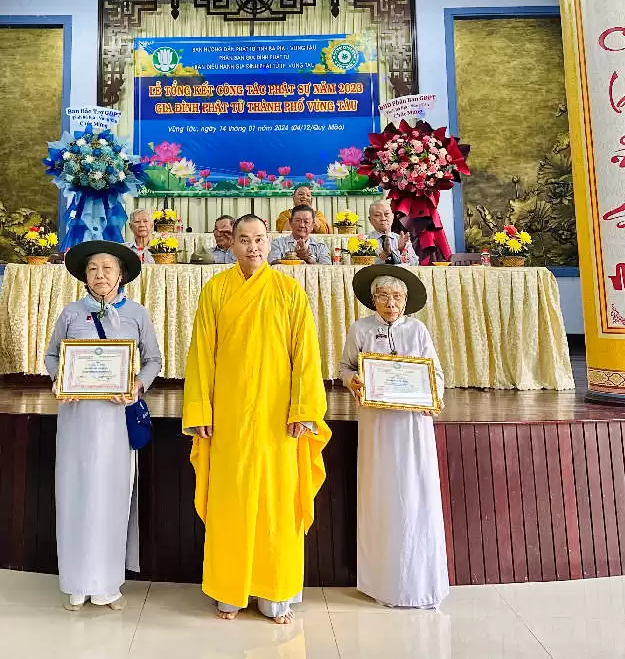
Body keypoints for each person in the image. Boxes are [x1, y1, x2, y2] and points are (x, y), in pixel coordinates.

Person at [182, 214, 329, 623]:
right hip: (228, 413)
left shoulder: (289, 291)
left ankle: (275, 592)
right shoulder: (215, 290)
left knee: (275, 501)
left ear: (270, 242)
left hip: (277, 416)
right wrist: (200, 409)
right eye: (244, 239)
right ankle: (229, 589)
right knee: (230, 500)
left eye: (259, 239)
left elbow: (306, 356)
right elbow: (201, 354)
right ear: (232, 245)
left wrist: (303, 410)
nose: (252, 247)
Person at [45, 241, 162, 612]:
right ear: (84, 275)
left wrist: (137, 385)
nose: (100, 275)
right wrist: (58, 379)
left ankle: (108, 583)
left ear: (121, 274)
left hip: (116, 420)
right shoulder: (70, 313)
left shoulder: (137, 314)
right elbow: (52, 355)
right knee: (75, 494)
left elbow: (154, 359)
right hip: (77, 418)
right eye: (93, 268)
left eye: (107, 268)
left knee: (112, 497)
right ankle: (77, 582)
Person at [340, 264, 448, 609]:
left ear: (406, 301)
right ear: (373, 299)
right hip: (377, 423)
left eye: (397, 297)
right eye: (384, 296)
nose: (391, 303)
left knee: (416, 492)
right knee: (381, 492)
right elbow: (344, 367)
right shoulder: (360, 329)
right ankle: (381, 582)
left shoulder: (417, 330)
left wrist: (434, 397)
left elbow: (435, 373)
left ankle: (421, 584)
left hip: (412, 424)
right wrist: (353, 381)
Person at [367, 200, 415, 265]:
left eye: (386, 214)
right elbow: (361, 265)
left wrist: (400, 251)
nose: (383, 218)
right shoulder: (364, 242)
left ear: (393, 216)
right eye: (377, 215)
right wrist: (382, 256)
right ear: (370, 220)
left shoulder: (402, 239)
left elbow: (414, 263)